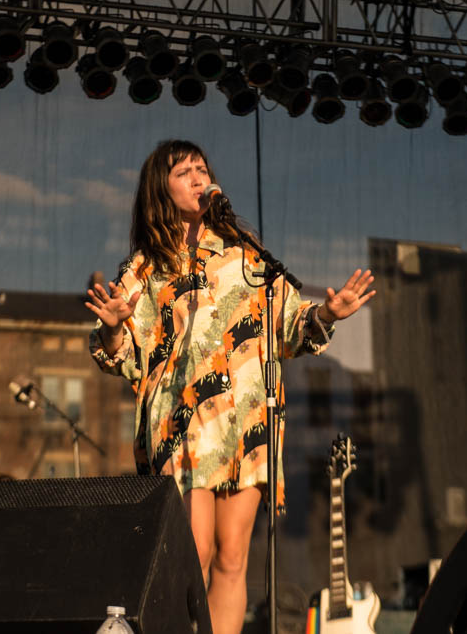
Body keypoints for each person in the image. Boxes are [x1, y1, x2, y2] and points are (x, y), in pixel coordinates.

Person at [86, 140, 375, 634]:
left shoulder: (246, 254)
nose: (199, 177)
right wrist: (114, 327)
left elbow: (289, 323)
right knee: (194, 551)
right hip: (183, 421)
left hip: (247, 420)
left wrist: (327, 313)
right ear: (160, 189)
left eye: (202, 168)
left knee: (233, 557)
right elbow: (124, 354)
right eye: (184, 172)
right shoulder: (146, 267)